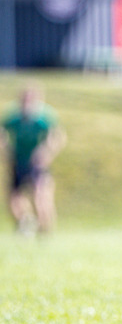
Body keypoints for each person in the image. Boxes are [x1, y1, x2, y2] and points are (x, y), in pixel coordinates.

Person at [2, 86, 65, 236]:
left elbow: (57, 136)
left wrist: (45, 152)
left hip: (37, 165)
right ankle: (25, 222)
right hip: (19, 162)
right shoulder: (14, 119)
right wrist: (6, 150)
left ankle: (45, 232)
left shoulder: (43, 119)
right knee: (14, 199)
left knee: (41, 198)